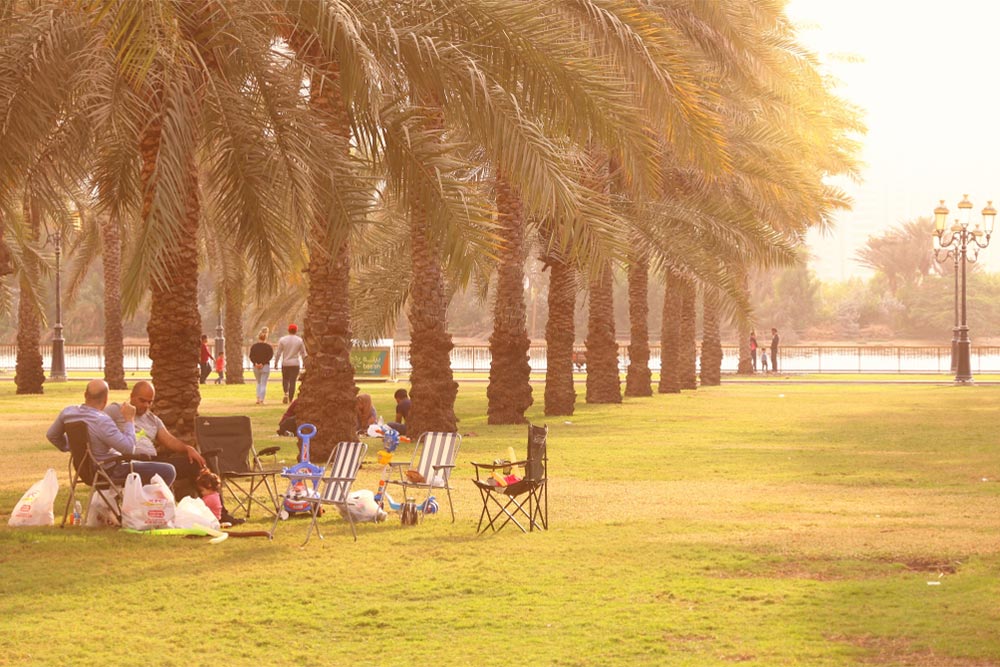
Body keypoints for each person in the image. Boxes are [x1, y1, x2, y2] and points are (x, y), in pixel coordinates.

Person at [105, 381, 245, 525]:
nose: (146, 405)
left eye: (150, 402)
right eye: (142, 400)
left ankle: (217, 513)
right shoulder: (117, 410)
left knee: (196, 463)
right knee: (167, 466)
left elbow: (169, 440)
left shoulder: (152, 419)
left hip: (154, 461)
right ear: (132, 396)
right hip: (132, 462)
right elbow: (98, 425)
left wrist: (187, 449)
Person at [46, 379, 177, 486]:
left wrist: (74, 448)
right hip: (108, 471)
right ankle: (146, 509)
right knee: (168, 471)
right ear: (106, 399)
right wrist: (129, 420)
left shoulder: (68, 413)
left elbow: (52, 435)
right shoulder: (102, 421)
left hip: (83, 470)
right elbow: (128, 449)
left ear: (85, 395)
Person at [274, 323, 307, 404]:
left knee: (285, 379)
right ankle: (290, 399)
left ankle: (286, 393)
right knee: (293, 381)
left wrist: (276, 363)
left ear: (288, 330)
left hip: (285, 363)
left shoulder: (283, 340)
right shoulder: (299, 340)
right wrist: (304, 362)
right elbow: (303, 353)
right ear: (296, 331)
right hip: (295, 364)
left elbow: (278, 353)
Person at [249, 327, 274, 405]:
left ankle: (257, 398)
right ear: (265, 338)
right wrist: (263, 363)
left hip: (256, 367)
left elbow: (251, 356)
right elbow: (270, 356)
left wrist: (256, 363)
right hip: (265, 366)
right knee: (263, 383)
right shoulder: (268, 347)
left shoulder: (254, 347)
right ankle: (262, 400)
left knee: (259, 383)